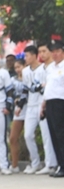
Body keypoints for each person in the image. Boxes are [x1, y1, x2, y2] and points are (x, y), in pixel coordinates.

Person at [23, 45, 55, 174]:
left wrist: (41, 87)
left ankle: (50, 163)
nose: (42, 54)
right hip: (31, 105)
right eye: (40, 51)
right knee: (28, 135)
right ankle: (35, 162)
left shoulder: (50, 68)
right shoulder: (32, 70)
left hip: (43, 103)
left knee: (46, 135)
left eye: (44, 51)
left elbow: (45, 87)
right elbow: (31, 87)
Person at [40, 40, 64, 178]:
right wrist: (43, 105)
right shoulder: (51, 68)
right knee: (54, 135)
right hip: (50, 102)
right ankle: (60, 164)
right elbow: (48, 87)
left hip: (61, 103)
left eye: (58, 51)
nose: (55, 54)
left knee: (61, 135)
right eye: (53, 51)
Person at [8, 58, 28, 173]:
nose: (17, 70)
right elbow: (10, 92)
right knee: (13, 138)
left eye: (19, 67)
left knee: (29, 137)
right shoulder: (13, 80)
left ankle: (34, 162)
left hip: (29, 107)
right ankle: (14, 165)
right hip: (18, 110)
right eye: (15, 68)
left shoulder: (29, 77)